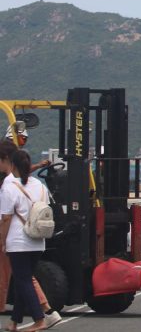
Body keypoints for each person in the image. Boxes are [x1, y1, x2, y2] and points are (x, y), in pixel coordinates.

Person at [0, 141, 59, 328]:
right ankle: (14, 322)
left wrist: (2, 240)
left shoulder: (9, 187)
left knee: (23, 280)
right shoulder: (40, 186)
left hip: (18, 241)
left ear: (12, 165)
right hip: (38, 241)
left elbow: (6, 218)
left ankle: (40, 319)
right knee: (23, 279)